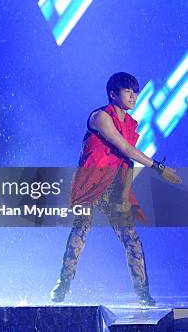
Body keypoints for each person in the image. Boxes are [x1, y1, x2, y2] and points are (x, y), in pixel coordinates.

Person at [50, 72, 182, 306]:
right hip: (91, 185)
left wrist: (123, 193)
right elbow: (123, 147)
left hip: (114, 187)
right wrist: (158, 167)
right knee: (80, 232)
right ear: (113, 94)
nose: (134, 96)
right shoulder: (100, 117)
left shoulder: (130, 124)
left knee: (132, 240)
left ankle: (143, 295)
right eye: (128, 91)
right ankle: (63, 285)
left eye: (136, 92)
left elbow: (126, 161)